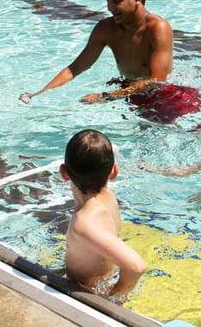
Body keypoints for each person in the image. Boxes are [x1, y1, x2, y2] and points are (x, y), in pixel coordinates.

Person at [20, 0, 201, 123]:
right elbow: (75, 68)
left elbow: (157, 79)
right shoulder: (105, 29)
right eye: (108, 1)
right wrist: (41, 92)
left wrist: (107, 96)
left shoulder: (158, 28)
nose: (110, 8)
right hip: (131, 90)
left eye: (117, 1)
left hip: (166, 94)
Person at [61, 129, 146, 303]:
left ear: (64, 173)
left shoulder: (83, 223)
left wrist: (113, 298)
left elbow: (136, 267)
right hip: (105, 277)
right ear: (114, 171)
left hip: (86, 293)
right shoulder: (108, 197)